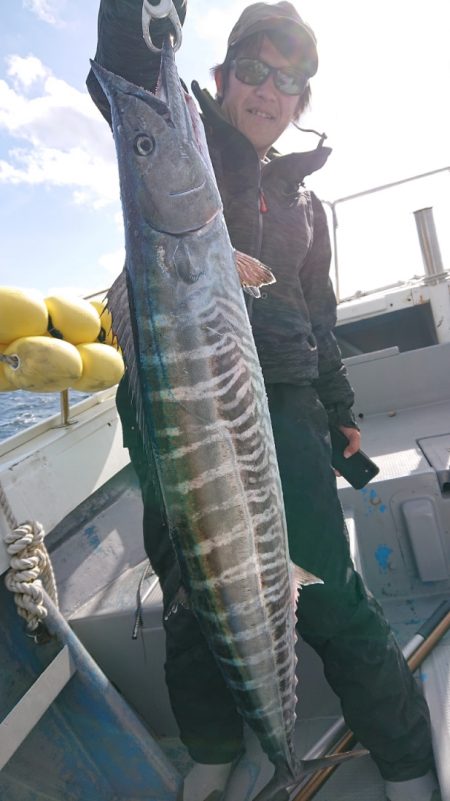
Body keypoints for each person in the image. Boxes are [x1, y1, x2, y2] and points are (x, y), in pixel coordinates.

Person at [87, 3, 439, 800]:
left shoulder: (309, 204)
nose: (269, 90)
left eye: (290, 81)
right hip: (168, 414)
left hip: (277, 410)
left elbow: (318, 318)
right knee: (190, 594)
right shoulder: (194, 141)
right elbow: (126, 77)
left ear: (299, 102)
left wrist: (340, 407)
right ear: (220, 78)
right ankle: (214, 746)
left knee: (327, 587)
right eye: (253, 70)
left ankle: (404, 754)